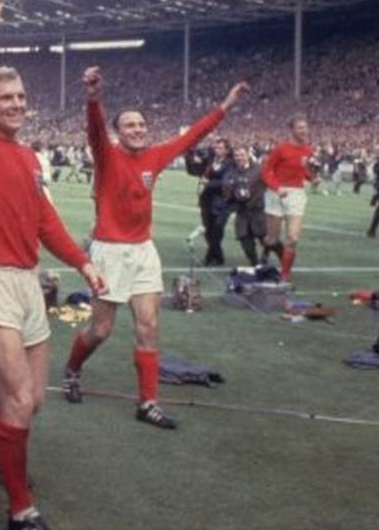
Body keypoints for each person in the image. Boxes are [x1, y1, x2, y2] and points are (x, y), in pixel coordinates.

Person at [0, 0, 104, 530]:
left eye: (21, 97)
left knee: (32, 400)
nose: (17, 104)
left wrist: (83, 263)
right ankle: (21, 509)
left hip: (26, 284)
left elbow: (44, 221)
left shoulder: (27, 156)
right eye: (6, 98)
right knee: (17, 400)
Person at [62, 66, 248, 430]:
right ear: (118, 132)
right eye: (129, 125)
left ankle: (148, 403)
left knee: (148, 327)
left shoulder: (156, 156)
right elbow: (94, 128)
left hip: (143, 251)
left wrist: (226, 105)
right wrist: (94, 98)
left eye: (141, 124)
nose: (137, 129)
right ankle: (72, 370)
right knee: (100, 330)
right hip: (109, 252)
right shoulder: (106, 154)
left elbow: (195, 134)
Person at [261, 116, 318, 282]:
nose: (304, 131)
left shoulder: (308, 150)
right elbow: (266, 171)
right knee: (272, 239)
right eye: (300, 127)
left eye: (305, 127)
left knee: (292, 238)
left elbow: (303, 169)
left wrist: (312, 178)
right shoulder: (281, 149)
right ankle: (265, 251)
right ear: (292, 130)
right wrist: (276, 187)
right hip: (276, 193)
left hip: (296, 194)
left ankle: (284, 275)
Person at [223, 144, 268, 265]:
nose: (239, 157)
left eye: (242, 155)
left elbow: (270, 183)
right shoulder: (232, 172)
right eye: (236, 155)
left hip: (257, 211)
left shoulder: (259, 169)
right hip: (241, 212)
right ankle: (255, 263)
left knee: (266, 239)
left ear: (248, 155)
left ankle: (280, 260)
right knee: (244, 238)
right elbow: (226, 192)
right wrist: (232, 194)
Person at [198, 137, 234, 266]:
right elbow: (195, 169)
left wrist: (209, 183)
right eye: (215, 148)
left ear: (227, 150)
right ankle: (217, 256)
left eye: (220, 148)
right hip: (207, 200)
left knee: (217, 230)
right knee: (208, 229)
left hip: (222, 201)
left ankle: (210, 257)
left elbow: (226, 182)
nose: (216, 150)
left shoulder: (230, 163)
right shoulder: (210, 161)